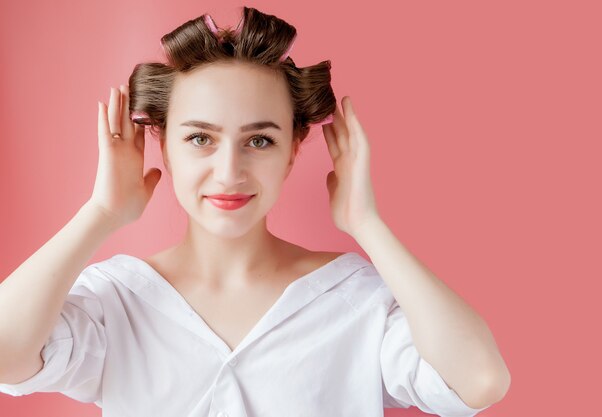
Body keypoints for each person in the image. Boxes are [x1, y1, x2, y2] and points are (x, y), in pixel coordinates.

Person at [0, 6, 509, 416]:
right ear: (162, 146)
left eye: (259, 140)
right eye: (200, 138)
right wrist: (101, 212)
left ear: (293, 149)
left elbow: (479, 381)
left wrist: (366, 224)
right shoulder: (119, 300)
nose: (229, 171)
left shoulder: (356, 300)